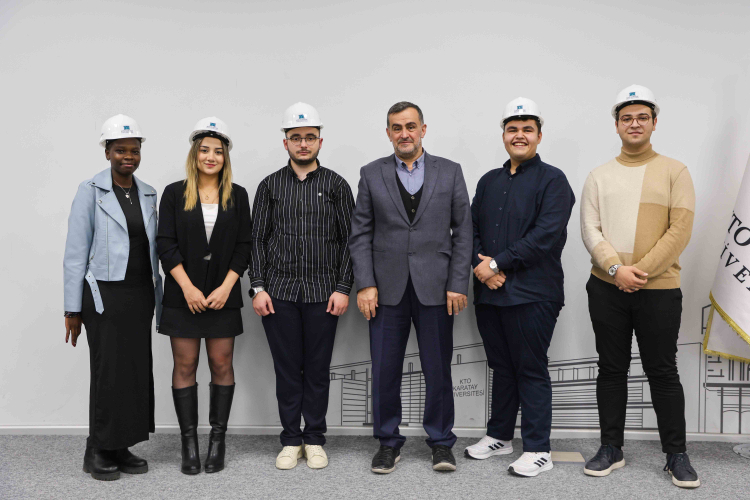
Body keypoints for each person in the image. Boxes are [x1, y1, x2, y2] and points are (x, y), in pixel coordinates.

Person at [580, 85, 699, 488]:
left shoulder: (675, 171)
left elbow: (679, 230)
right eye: (627, 118)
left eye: (642, 117)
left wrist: (638, 272)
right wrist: (616, 269)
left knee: (662, 371)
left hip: (659, 289)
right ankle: (611, 448)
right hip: (606, 287)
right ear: (616, 125)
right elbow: (590, 229)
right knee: (611, 369)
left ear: (654, 123)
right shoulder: (598, 176)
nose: (634, 124)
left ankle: (676, 454)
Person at [349, 101, 472, 474]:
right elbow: (361, 234)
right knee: (384, 370)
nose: (404, 133)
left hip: (437, 287)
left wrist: (457, 282)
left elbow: (464, 231)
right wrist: (365, 284)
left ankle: (441, 443)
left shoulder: (450, 171)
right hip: (385, 290)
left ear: (423, 129)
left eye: (410, 126)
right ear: (388, 133)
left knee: (438, 370)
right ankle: (388, 443)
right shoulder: (371, 173)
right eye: (396, 127)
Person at [467, 98, 575, 477]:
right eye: (512, 129)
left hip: (534, 294)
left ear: (539, 136)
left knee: (530, 368)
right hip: (489, 293)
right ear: (503, 135)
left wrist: (496, 264)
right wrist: (481, 267)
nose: (519, 135)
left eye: (527, 129)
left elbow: (545, 236)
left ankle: (539, 449)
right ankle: (500, 436)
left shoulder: (554, 180)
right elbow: (469, 229)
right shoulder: (488, 181)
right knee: (501, 367)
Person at [250, 103, 355, 470]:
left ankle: (314, 439)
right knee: (286, 370)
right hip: (277, 294)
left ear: (320, 141)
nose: (303, 143)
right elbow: (257, 240)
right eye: (296, 137)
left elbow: (351, 241)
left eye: (310, 137)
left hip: (324, 294)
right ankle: (290, 440)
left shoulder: (336, 185)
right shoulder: (270, 186)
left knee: (317, 370)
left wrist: (343, 287)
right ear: (286, 143)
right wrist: (258, 287)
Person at [63, 114, 163, 481]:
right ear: (107, 152)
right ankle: (97, 448)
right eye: (120, 150)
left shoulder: (148, 193)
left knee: (134, 371)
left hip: (140, 295)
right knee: (107, 371)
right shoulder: (89, 191)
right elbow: (75, 254)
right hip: (103, 296)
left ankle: (121, 445)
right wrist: (72, 309)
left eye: (134, 150)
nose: (128, 157)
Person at [157, 117, 251, 474]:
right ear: (194, 154)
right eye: (204, 150)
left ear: (225, 157)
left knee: (221, 364)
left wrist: (226, 287)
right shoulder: (174, 193)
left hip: (223, 296)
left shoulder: (238, 195)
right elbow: (165, 244)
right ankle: (189, 444)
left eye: (218, 151)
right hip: (183, 295)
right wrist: (188, 287)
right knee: (185, 366)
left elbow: (244, 246)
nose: (211, 157)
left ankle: (217, 442)